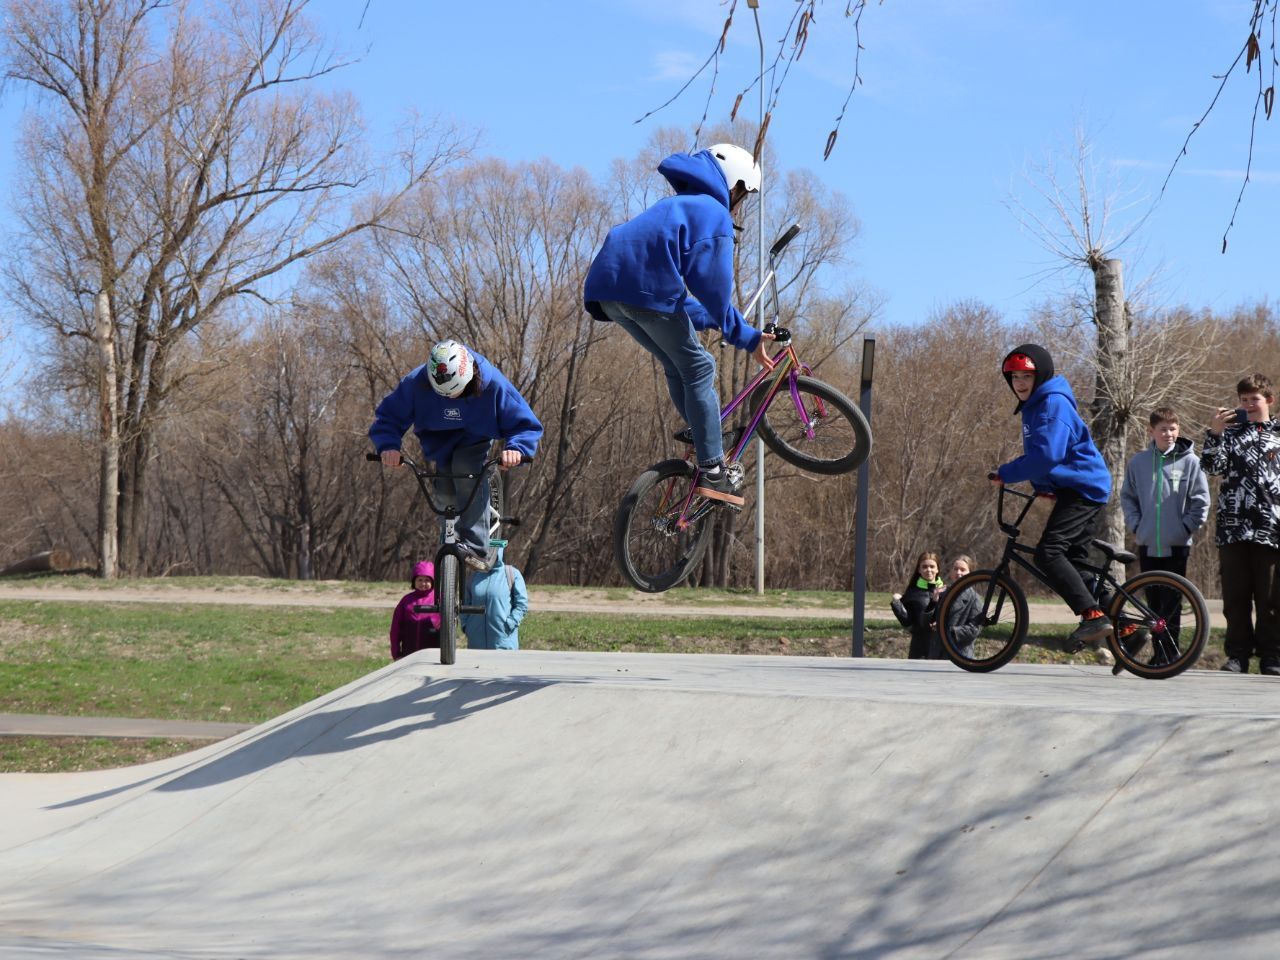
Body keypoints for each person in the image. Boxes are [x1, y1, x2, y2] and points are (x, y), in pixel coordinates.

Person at [583, 143, 775, 507]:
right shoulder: (712, 214)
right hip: (644, 293)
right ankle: (713, 469)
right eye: (743, 195)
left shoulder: (675, 207)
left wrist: (738, 330)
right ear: (734, 185)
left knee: (678, 362)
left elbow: (681, 306)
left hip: (608, 292)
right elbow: (713, 293)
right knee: (700, 367)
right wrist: (745, 337)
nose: (739, 204)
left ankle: (701, 431)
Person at [370, 339, 542, 571]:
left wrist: (517, 449)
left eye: (456, 392)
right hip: (437, 439)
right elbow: (389, 417)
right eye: (444, 394)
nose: (451, 398)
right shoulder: (416, 383)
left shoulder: (492, 383)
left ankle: (477, 547)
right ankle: (451, 541)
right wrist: (388, 446)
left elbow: (524, 423)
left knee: (464, 469)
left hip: (475, 437)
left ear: (470, 376)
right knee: (444, 490)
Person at [994, 344, 1113, 651]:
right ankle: (1125, 627)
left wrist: (1006, 473)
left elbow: (1047, 454)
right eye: (1014, 377)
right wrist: (1045, 486)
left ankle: (1093, 616)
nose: (1019, 382)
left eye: (1026, 376)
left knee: (1048, 553)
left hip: (1083, 488)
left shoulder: (1051, 405)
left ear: (1041, 376)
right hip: (1079, 486)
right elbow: (1053, 455)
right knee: (1074, 562)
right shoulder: (1036, 406)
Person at [1201, 374, 1280, 675]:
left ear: (1269, 400)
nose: (1248, 404)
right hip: (1234, 528)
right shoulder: (1231, 434)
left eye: (1254, 399)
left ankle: (1271, 656)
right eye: (1243, 400)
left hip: (1272, 529)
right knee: (1235, 598)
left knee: (1271, 598)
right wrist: (1215, 433)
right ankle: (1238, 655)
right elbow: (1212, 467)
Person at [1120, 406, 1211, 662]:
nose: (1169, 434)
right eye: (1163, 430)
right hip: (1148, 542)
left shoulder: (1191, 462)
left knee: (1172, 602)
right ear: (1152, 431)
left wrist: (1186, 528)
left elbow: (1201, 501)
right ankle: (1159, 653)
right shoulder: (1139, 462)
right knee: (1153, 603)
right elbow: (1127, 497)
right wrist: (1136, 525)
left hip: (1177, 544)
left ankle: (1170, 653)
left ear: (1178, 430)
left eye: (1173, 429)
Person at [462, 541, 528, 650]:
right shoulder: (473, 577)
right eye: (484, 552)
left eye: (491, 551)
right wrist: (466, 626)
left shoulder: (512, 574)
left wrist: (510, 624)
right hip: (476, 645)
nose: (488, 555)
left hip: (504, 644)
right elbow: (464, 604)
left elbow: (522, 605)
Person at [891, 551, 944, 660]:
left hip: (943, 649)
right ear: (919, 570)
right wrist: (897, 605)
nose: (929, 570)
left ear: (937, 569)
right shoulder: (912, 593)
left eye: (932, 566)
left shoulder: (948, 592)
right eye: (924, 567)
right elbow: (908, 623)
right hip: (920, 649)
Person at [930, 554, 984, 660]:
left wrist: (950, 632)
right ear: (951, 572)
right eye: (955, 569)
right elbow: (928, 620)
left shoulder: (975, 599)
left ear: (970, 574)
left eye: (962, 570)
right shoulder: (942, 593)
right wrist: (934, 602)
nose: (958, 573)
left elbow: (974, 629)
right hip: (936, 654)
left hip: (959, 656)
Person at [389, 561, 441, 660]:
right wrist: (396, 653)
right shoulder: (406, 600)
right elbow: (395, 629)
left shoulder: (439, 599)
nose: (423, 583)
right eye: (420, 580)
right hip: (409, 653)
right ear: (414, 581)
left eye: (427, 580)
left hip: (433, 655)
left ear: (433, 581)